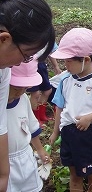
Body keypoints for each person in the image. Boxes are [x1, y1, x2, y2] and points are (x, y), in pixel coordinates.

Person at [49, 28, 92, 192]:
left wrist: (89, 118)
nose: (66, 66)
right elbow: (59, 106)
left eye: (69, 61)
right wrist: (55, 131)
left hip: (89, 133)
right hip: (68, 132)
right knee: (74, 175)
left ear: (86, 60)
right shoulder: (65, 79)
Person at [0, 0, 55, 191]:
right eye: (26, 56)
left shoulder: (3, 71)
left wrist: (3, 177)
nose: (21, 63)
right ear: (4, 39)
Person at [7, 61, 51, 192]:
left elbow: (31, 128)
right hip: (5, 161)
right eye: (15, 88)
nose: (20, 92)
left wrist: (41, 150)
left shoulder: (23, 100)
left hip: (25, 156)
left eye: (25, 88)